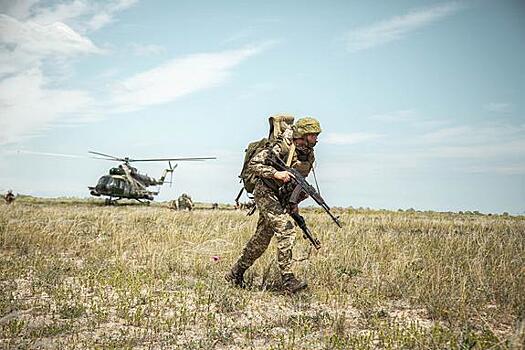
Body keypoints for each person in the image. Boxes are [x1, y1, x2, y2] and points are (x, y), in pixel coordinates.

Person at [226, 117, 321, 293]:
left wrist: (294, 202)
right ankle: (288, 279)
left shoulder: (308, 154)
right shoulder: (281, 146)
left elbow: (299, 181)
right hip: (265, 191)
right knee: (286, 229)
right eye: (313, 135)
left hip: (280, 196)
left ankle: (235, 273)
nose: (316, 139)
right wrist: (276, 174)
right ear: (303, 134)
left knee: (261, 239)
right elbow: (255, 164)